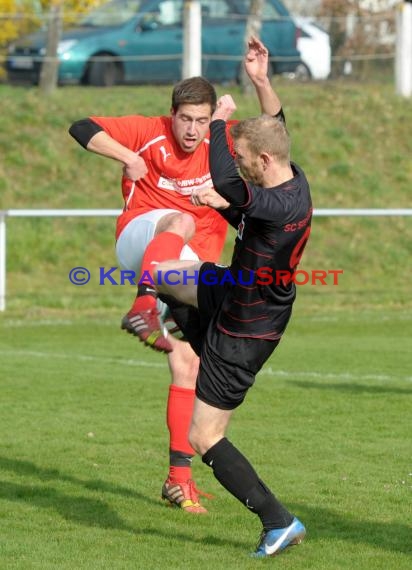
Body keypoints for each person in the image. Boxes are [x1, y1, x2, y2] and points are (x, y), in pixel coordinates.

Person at [68, 37, 285, 515]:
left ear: (211, 119)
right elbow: (81, 126)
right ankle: (144, 305)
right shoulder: (146, 131)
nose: (191, 130)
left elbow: (274, 130)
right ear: (171, 115)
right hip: (140, 242)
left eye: (201, 120)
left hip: (187, 268)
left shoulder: (220, 143)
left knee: (192, 365)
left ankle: (178, 478)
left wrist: (260, 81)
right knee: (179, 219)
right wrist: (123, 156)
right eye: (184, 119)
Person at [153, 66, 312, 555]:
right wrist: (261, 82)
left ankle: (277, 521)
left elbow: (226, 177)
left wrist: (220, 120)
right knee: (161, 276)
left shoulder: (278, 203)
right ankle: (177, 331)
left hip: (245, 332)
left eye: (245, 159)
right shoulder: (288, 175)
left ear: (263, 161)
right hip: (236, 294)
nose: (238, 165)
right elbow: (274, 126)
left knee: (204, 435)